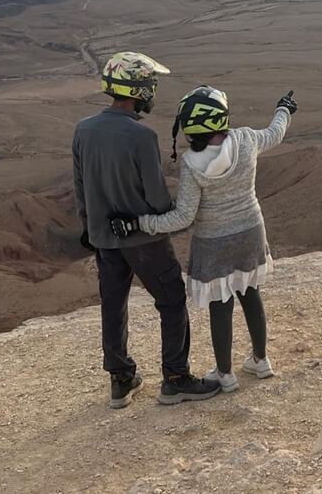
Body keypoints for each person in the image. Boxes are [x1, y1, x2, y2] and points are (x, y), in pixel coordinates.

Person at [111, 85, 297, 393]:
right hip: (251, 232)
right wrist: (284, 109)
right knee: (251, 294)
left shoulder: (191, 164)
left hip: (214, 244)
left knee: (220, 305)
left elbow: (183, 217)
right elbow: (275, 133)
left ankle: (225, 374)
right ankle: (260, 361)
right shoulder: (247, 139)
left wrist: (138, 223)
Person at [72, 51, 220, 408]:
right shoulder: (141, 136)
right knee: (170, 301)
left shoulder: (83, 130)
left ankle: (121, 379)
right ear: (137, 87)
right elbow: (155, 197)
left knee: (113, 304)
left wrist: (89, 229)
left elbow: (80, 186)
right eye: (150, 83)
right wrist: (172, 215)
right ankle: (175, 378)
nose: (152, 89)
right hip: (145, 240)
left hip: (104, 237)